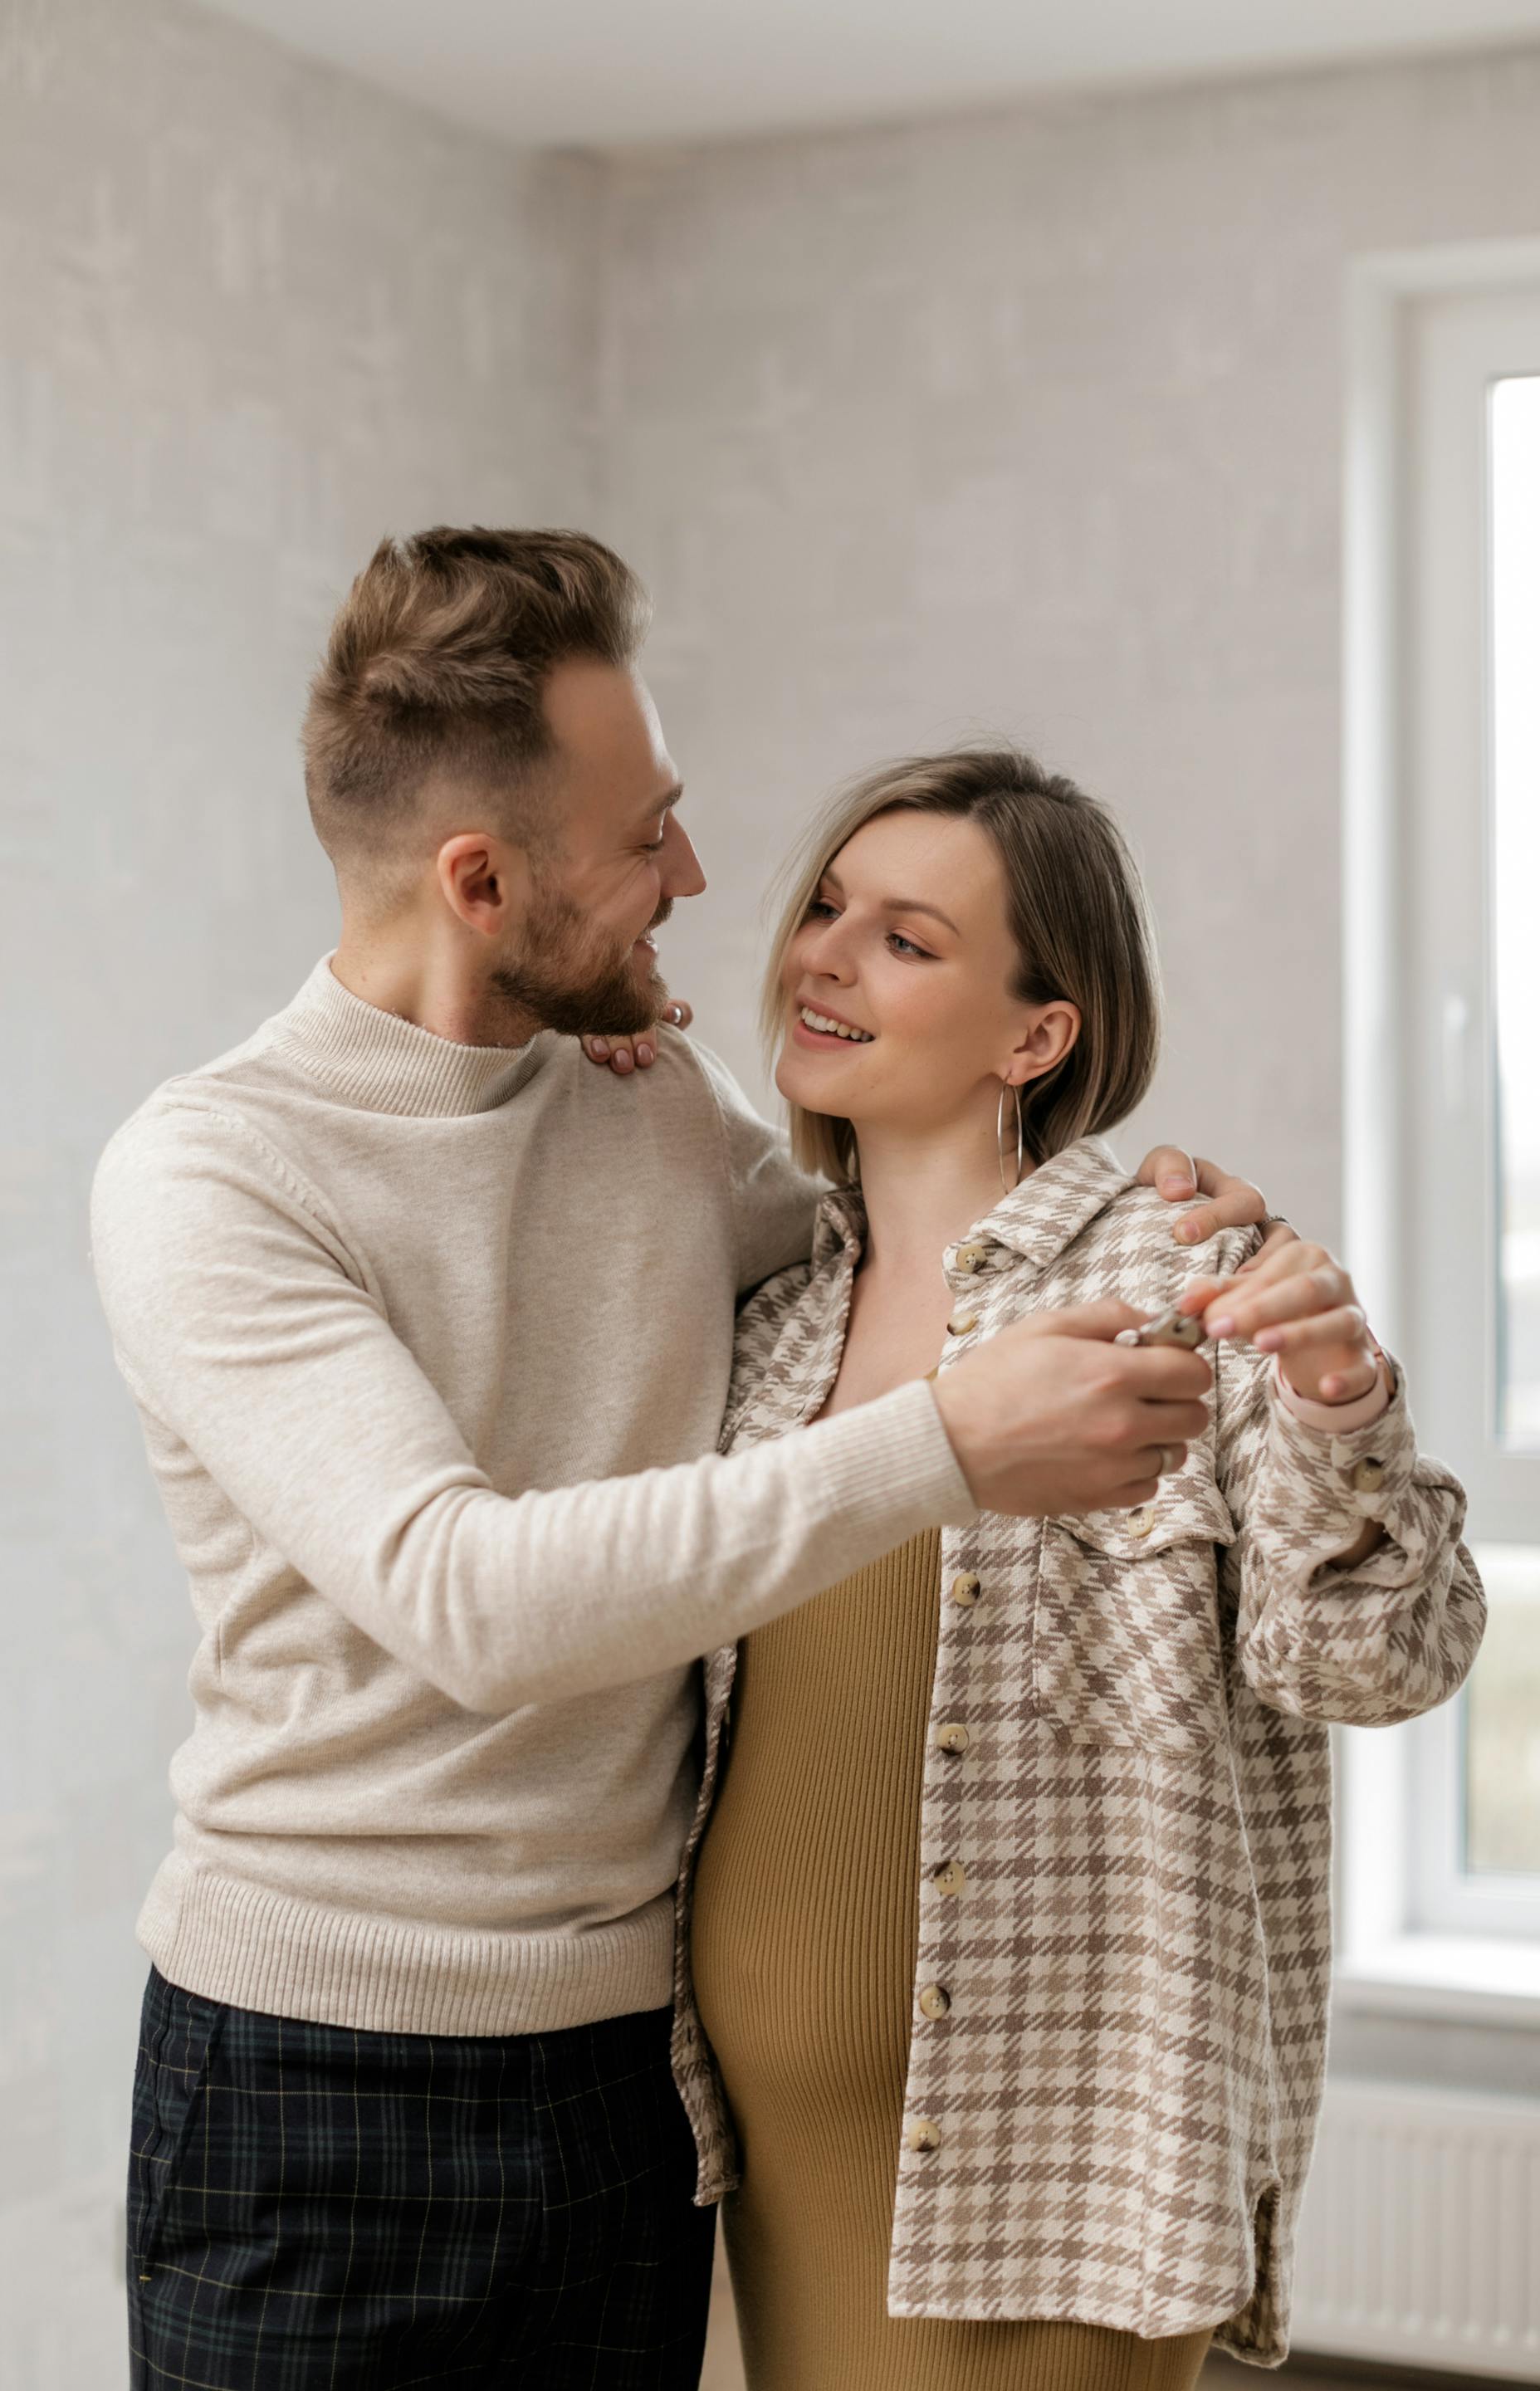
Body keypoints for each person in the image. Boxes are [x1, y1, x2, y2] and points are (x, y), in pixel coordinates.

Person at [91, 526, 1278, 2391]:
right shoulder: (211, 1175)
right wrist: (955, 1443)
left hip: (631, 2077)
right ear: (482, 881)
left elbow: (900, 1249)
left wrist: (1180, 1226)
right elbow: (467, 1597)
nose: (704, 883)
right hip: (319, 2076)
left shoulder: (652, 1112)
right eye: (646, 836)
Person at [683, 748, 1483, 2390]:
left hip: (1052, 2153)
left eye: (905, 938)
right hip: (768, 2141)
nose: (821, 955)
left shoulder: (1188, 1279)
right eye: (827, 908)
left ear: (1037, 1035)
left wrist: (1344, 1404)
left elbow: (1379, 1662)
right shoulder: (769, 1325)